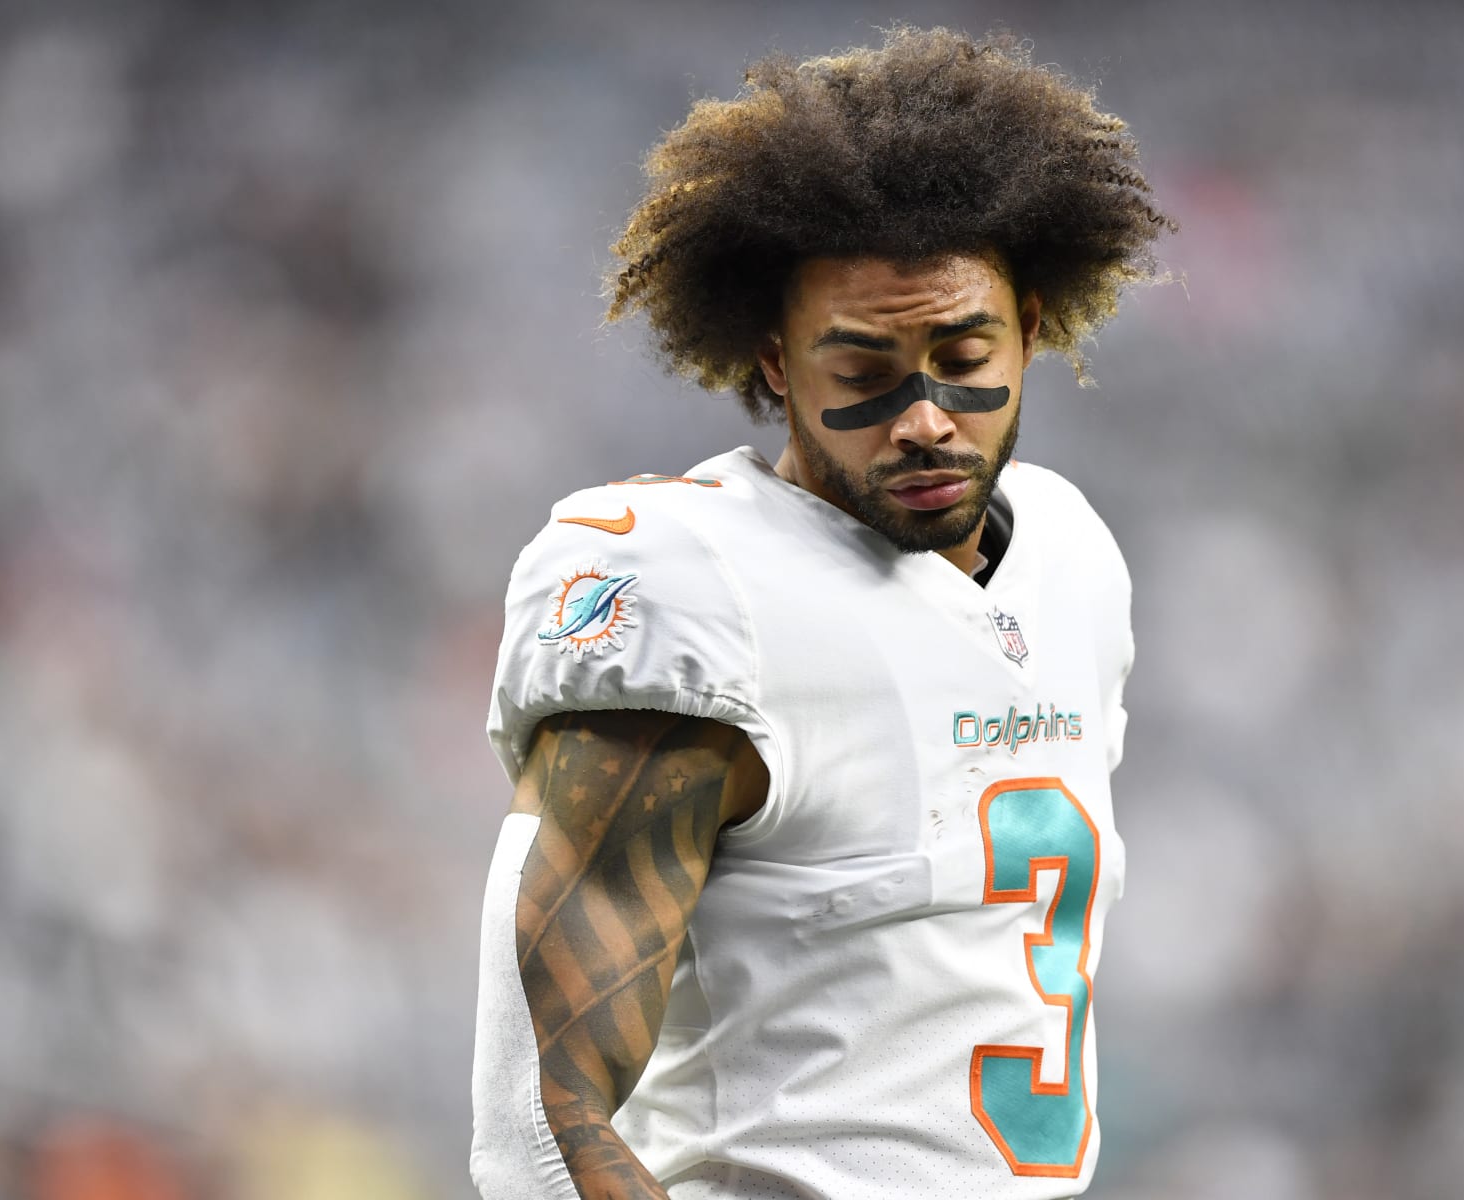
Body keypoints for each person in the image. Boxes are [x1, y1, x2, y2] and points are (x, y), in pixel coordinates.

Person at [472, 26, 1174, 1200]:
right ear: (774, 365)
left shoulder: (1073, 558)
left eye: (962, 352)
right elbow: (541, 1121)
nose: (926, 416)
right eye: (864, 372)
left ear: (1035, 329)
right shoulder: (697, 585)